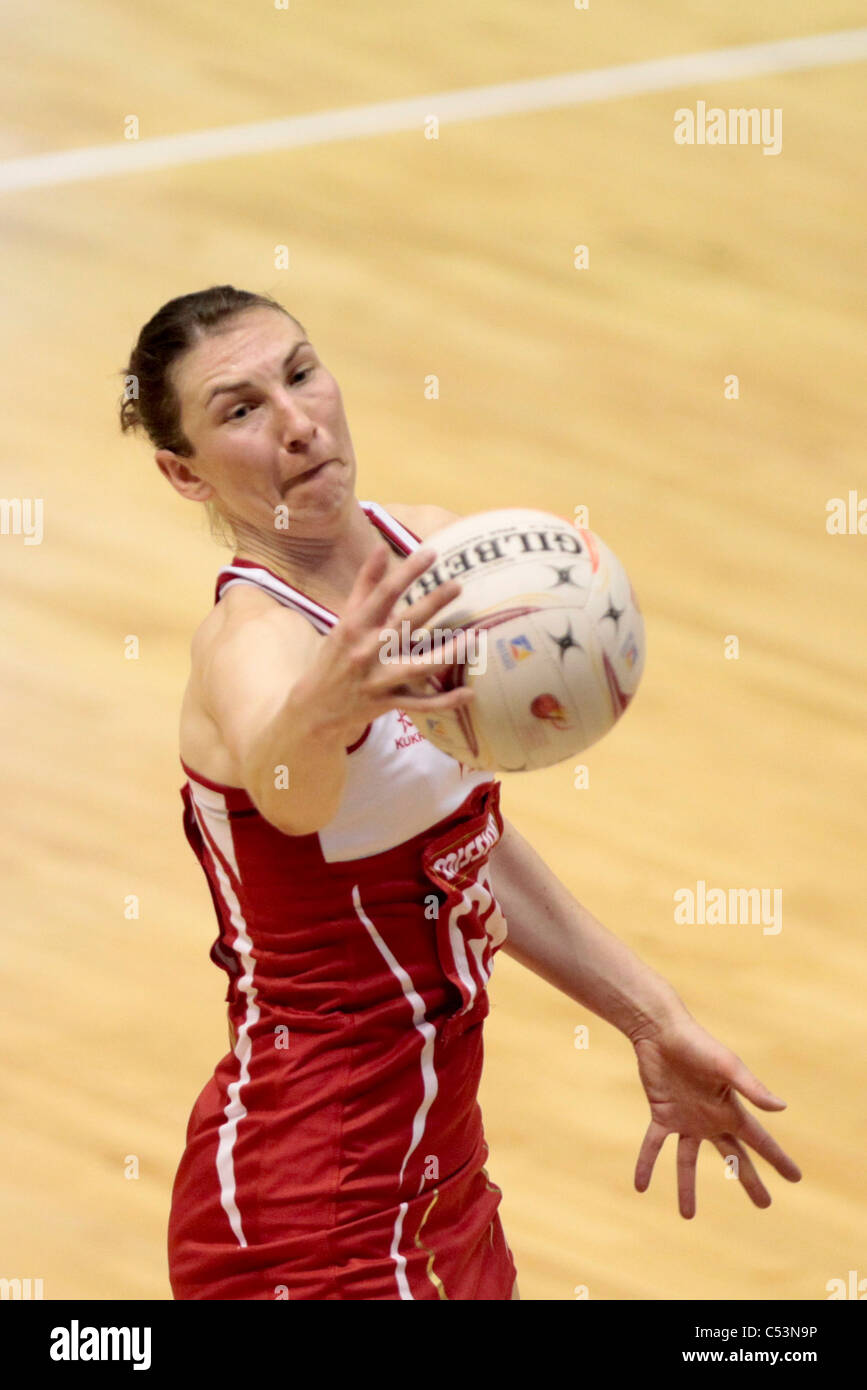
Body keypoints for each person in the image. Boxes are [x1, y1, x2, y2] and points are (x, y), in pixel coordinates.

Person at [119, 285, 801, 1301]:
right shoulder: (252, 643)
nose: (299, 423)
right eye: (241, 409)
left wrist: (650, 1016)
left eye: (301, 372)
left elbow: (461, 838)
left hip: (443, 1187)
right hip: (308, 1206)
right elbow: (290, 790)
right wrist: (327, 706)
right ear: (185, 473)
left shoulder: (439, 553)